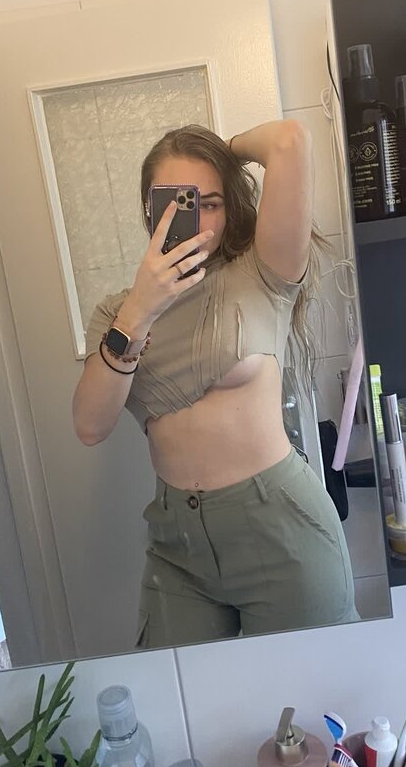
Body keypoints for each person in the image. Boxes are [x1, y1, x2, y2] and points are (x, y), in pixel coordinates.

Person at [73, 120, 359, 648]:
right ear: (149, 212)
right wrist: (139, 310)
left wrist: (218, 150)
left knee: (305, 693)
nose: (197, 220)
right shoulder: (116, 315)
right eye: (177, 202)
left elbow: (291, 142)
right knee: (184, 696)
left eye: (210, 202)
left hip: (281, 529)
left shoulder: (263, 272)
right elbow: (90, 425)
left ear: (230, 208)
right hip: (177, 548)